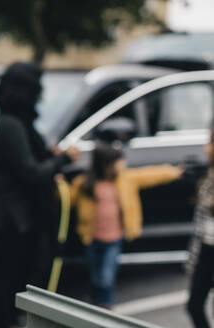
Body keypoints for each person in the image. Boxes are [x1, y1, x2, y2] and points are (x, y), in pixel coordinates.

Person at [0, 62, 79, 328]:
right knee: (6, 282)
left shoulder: (16, 122)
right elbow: (30, 171)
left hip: (17, 218)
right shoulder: (11, 124)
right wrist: (62, 161)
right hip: (10, 220)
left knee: (10, 280)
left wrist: (51, 159)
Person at [70, 143, 183, 308]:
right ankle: (96, 302)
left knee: (105, 277)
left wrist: (172, 171)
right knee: (95, 275)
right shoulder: (84, 184)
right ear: (106, 165)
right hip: (91, 238)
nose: (123, 164)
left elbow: (149, 175)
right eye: (119, 162)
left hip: (113, 239)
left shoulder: (125, 179)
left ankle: (104, 306)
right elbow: (68, 197)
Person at [186, 124, 214, 328]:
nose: (206, 147)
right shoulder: (208, 176)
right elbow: (199, 223)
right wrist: (193, 259)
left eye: (210, 142)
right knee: (194, 305)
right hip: (206, 249)